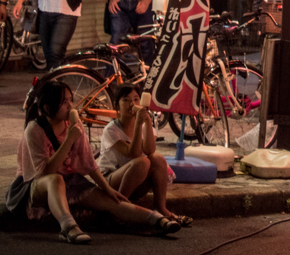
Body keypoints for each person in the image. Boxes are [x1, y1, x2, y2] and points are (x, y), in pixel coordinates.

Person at [5, 80, 180, 243]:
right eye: (64, 102)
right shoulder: (35, 129)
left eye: (70, 100)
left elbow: (89, 164)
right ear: (48, 107)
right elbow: (45, 171)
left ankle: (158, 220)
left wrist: (108, 189)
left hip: (71, 182)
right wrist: (69, 140)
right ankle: (68, 227)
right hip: (36, 184)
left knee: (113, 201)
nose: (70, 106)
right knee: (55, 179)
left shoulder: (73, 125)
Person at [98, 84, 189, 226]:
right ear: (117, 105)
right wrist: (139, 124)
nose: (132, 104)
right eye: (126, 100)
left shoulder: (146, 126)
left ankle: (161, 208)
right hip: (111, 180)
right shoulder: (111, 130)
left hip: (135, 179)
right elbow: (132, 154)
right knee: (142, 162)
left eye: (136, 99)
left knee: (157, 158)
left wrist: (146, 121)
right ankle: (119, 209)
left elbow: (149, 150)